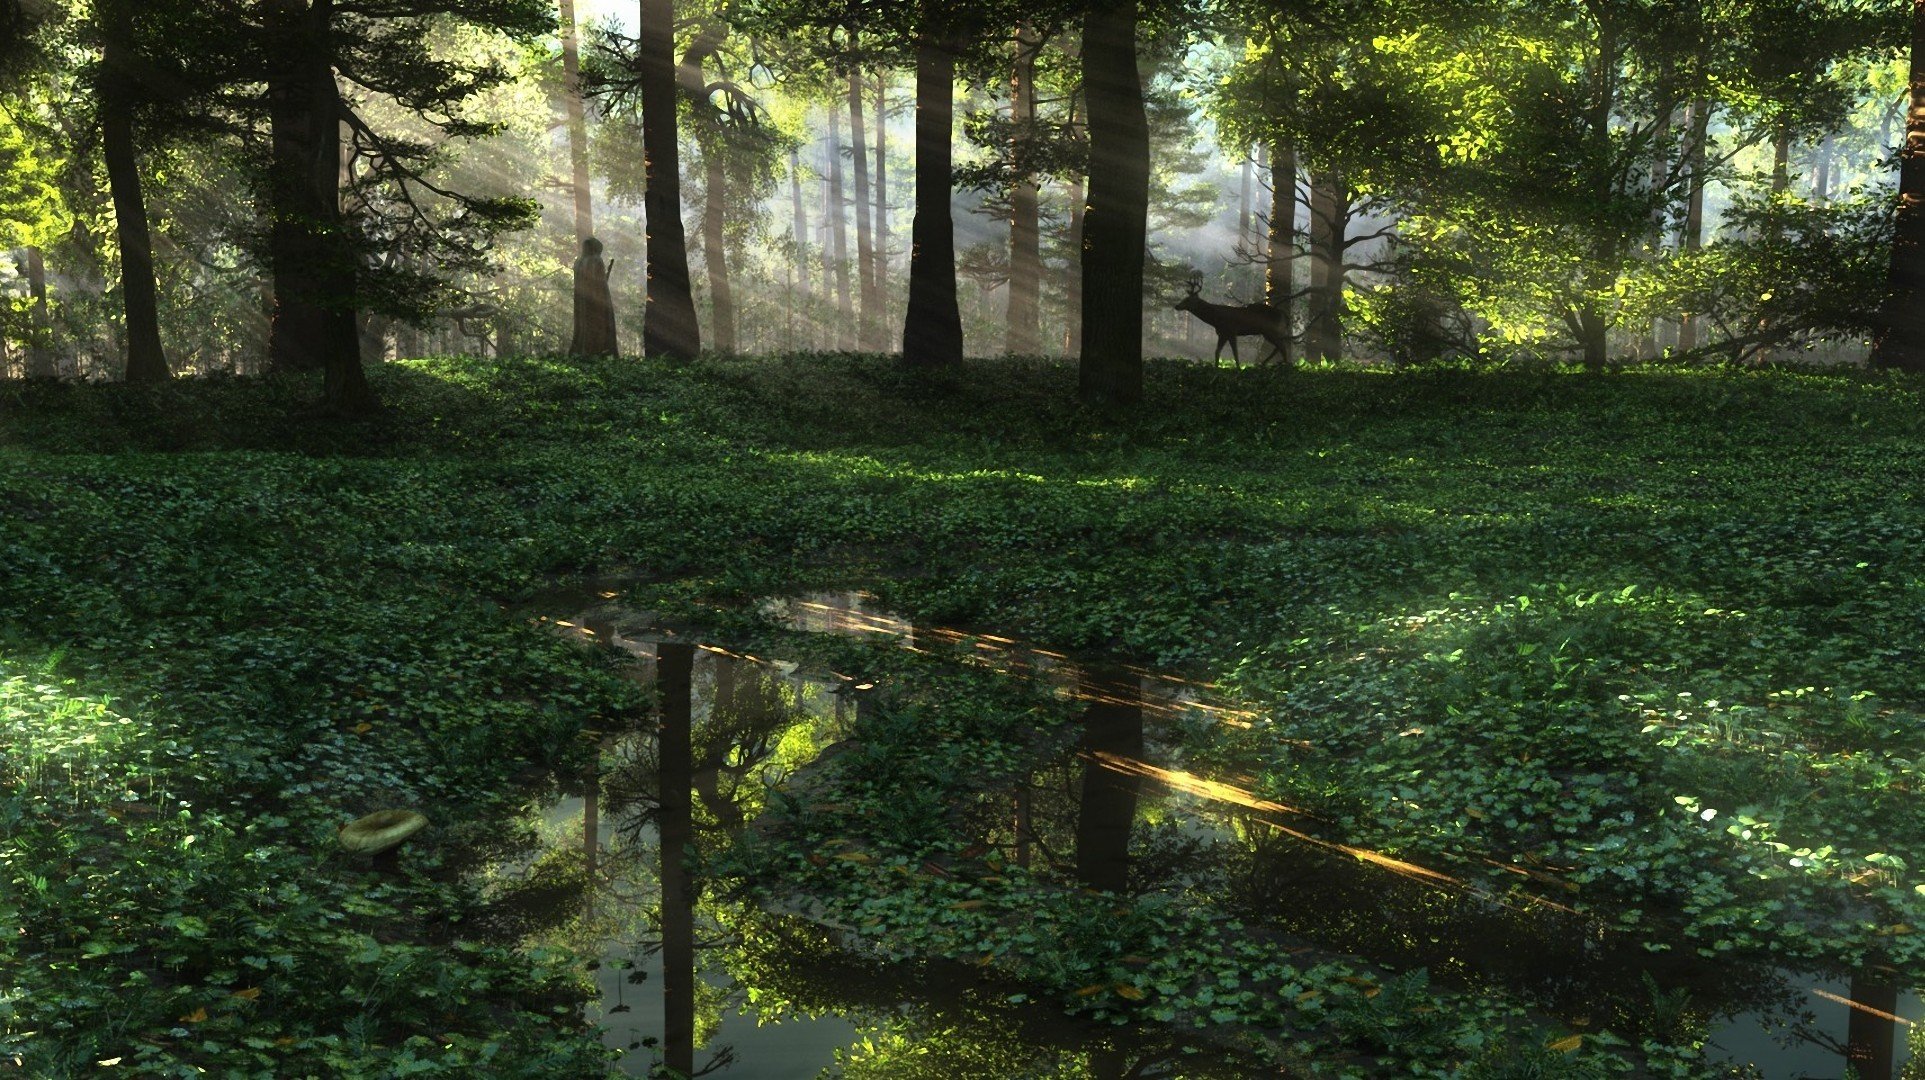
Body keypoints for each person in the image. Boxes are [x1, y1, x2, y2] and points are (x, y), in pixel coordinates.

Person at [569, 236, 619, 356]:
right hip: (597, 303)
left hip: (581, 302)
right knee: (598, 326)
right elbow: (600, 284)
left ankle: (583, 351)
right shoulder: (596, 260)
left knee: (583, 326)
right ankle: (597, 351)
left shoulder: (578, 262)